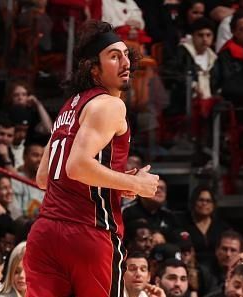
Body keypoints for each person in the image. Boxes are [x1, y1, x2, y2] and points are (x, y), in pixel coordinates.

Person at [24, 19, 159, 297]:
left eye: (126, 55)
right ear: (94, 70)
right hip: (89, 231)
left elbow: (43, 177)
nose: (125, 62)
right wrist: (137, 185)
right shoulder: (110, 104)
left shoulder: (68, 107)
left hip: (44, 234)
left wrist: (115, 182)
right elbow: (77, 166)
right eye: (114, 56)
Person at [179, 185, 230, 268]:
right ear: (194, 202)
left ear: (213, 205)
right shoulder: (183, 224)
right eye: (201, 200)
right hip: (191, 267)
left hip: (217, 269)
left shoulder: (222, 227)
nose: (204, 203)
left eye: (208, 201)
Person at [11, 142, 45, 217]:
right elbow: (15, 213)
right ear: (24, 157)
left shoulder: (45, 183)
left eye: (42, 156)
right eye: (35, 155)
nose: (39, 159)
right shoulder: (16, 180)